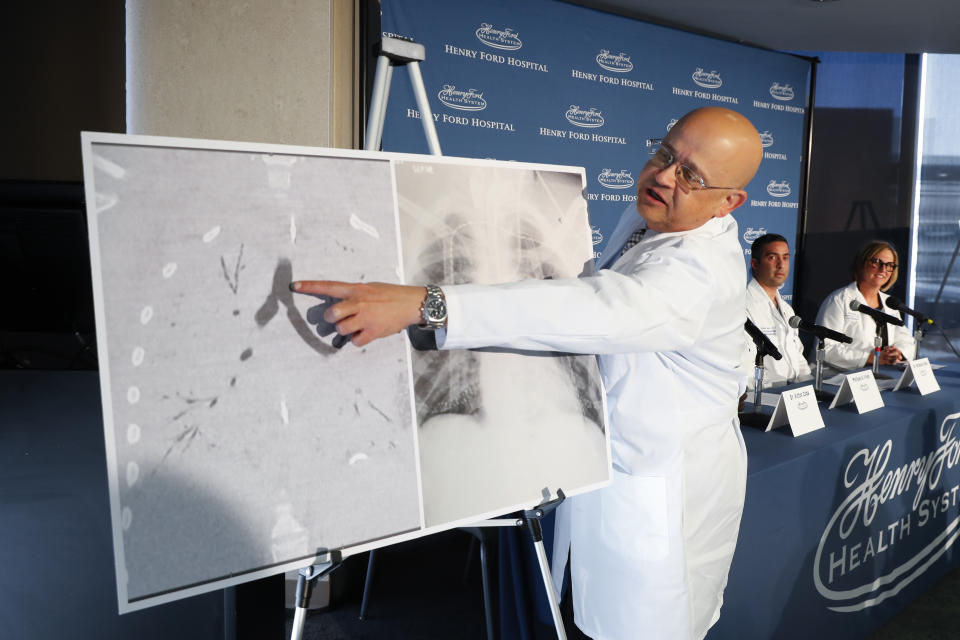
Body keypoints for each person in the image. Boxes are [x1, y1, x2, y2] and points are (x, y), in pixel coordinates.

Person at [291, 106, 762, 640]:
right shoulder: (655, 217)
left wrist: (427, 303)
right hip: (618, 468)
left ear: (730, 201)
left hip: (663, 492)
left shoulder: (696, 272)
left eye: (690, 175)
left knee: (641, 628)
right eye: (664, 154)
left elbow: (598, 309)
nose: (662, 176)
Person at [815, 240, 916, 369]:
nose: (883, 269)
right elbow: (826, 348)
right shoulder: (839, 300)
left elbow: (906, 340)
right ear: (862, 263)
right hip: (836, 377)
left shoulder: (889, 302)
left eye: (889, 265)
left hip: (881, 374)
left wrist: (898, 352)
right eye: (877, 262)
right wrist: (870, 358)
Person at [742, 233, 812, 389]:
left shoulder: (787, 309)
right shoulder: (743, 307)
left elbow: (797, 356)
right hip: (765, 396)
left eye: (786, 257)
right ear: (754, 263)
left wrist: (808, 385)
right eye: (772, 258)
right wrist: (776, 393)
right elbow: (746, 367)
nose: (781, 265)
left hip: (791, 393)